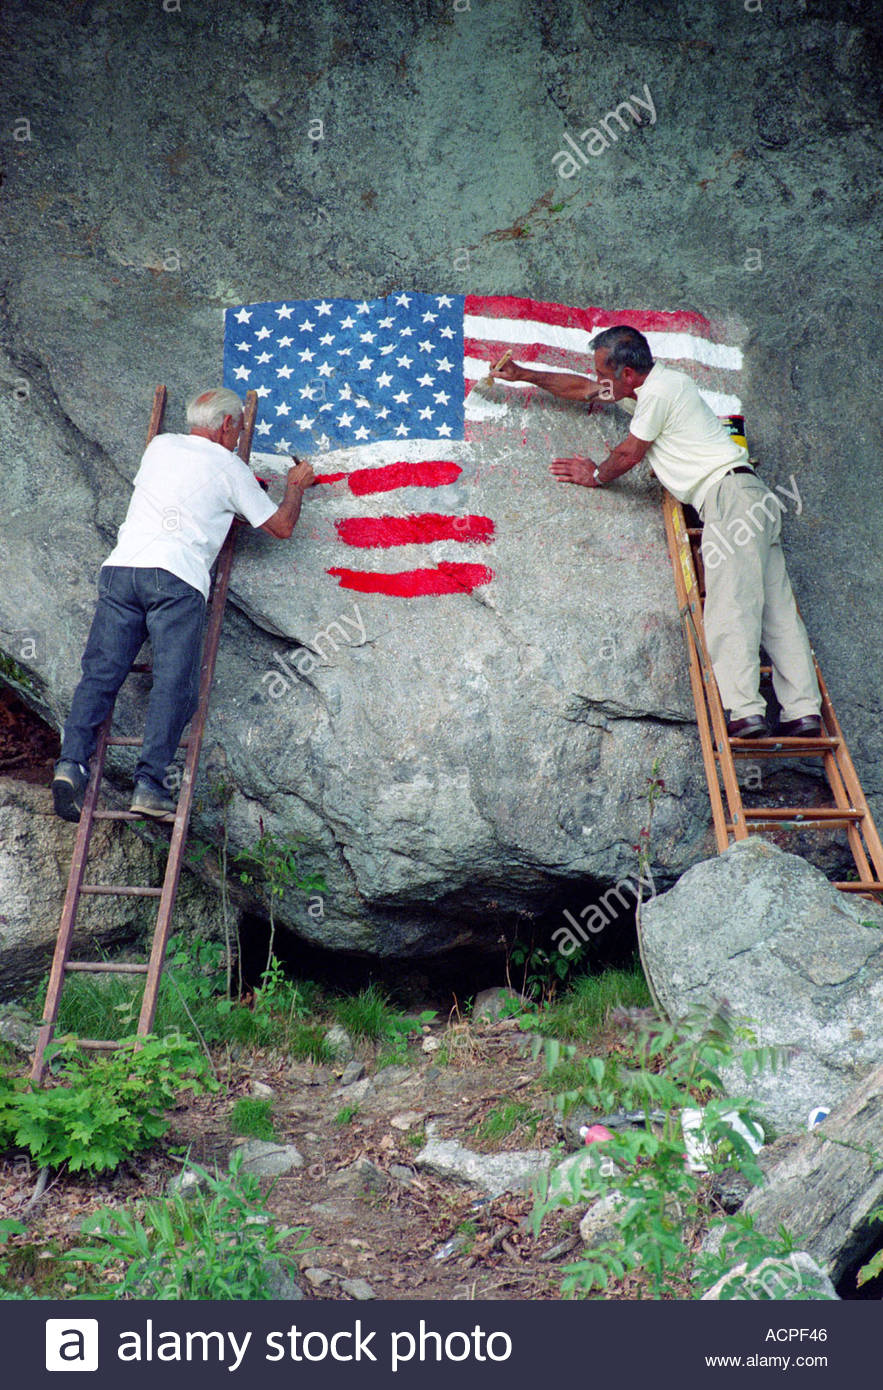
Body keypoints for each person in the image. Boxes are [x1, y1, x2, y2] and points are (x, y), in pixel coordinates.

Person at [493, 325, 821, 739]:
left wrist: (595, 474)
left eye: (604, 372)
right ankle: (803, 712)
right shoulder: (645, 391)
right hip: (751, 497)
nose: (600, 380)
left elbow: (630, 452)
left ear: (628, 374)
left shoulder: (662, 391)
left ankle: (745, 710)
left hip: (728, 497)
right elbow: (584, 391)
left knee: (730, 605)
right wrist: (525, 374)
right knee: (777, 612)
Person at [52, 387, 315, 823]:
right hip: (175, 579)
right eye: (239, 430)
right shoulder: (232, 468)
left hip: (122, 568)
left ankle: (70, 764)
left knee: (100, 674)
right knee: (175, 684)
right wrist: (294, 487)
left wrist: (237, 493)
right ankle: (150, 785)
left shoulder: (160, 446)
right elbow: (282, 526)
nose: (238, 437)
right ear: (228, 424)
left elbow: (188, 490)